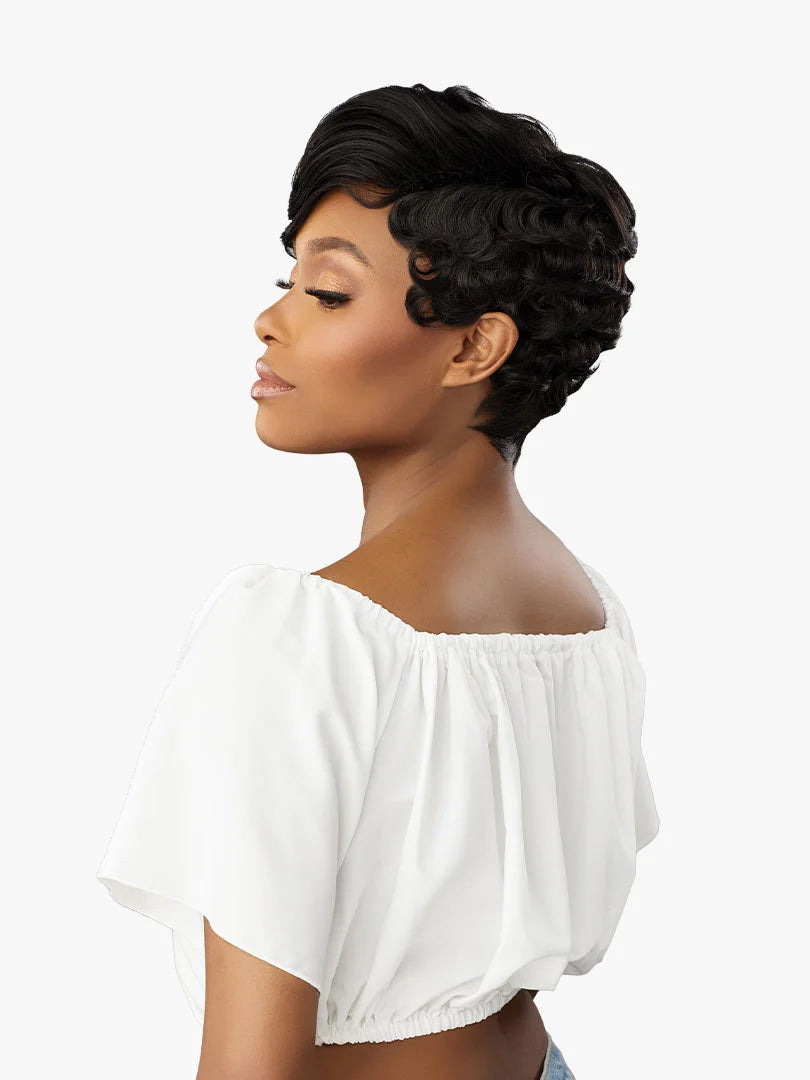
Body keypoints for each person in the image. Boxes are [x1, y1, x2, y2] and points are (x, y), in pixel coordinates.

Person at [97, 83, 660, 1080]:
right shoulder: (589, 613)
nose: (269, 320)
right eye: (287, 281)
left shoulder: (299, 637)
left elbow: (252, 1063)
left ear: (474, 346)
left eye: (327, 293)